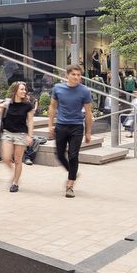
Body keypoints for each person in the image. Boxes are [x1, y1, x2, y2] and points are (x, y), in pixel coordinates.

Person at [48, 64, 93, 198]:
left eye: (79, 75)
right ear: (67, 75)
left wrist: (88, 132)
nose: (76, 77)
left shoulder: (85, 91)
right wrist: (50, 125)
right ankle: (72, 172)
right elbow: (52, 107)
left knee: (73, 156)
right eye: (73, 74)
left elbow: (89, 113)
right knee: (60, 155)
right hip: (61, 126)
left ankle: (69, 185)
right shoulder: (58, 88)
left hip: (77, 127)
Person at [0, 81, 35, 193]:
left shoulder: (28, 105)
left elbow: (30, 121)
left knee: (18, 160)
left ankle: (15, 182)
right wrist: (1, 107)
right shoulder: (8, 102)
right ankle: (15, 173)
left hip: (21, 134)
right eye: (22, 89)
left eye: (25, 89)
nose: (24, 91)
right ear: (15, 91)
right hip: (7, 133)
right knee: (5, 159)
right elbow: (0, 113)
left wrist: (30, 136)